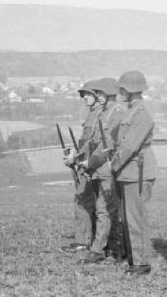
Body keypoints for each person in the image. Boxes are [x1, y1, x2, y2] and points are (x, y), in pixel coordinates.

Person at [91, 70, 158, 275]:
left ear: (130, 90)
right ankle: (132, 257)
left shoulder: (141, 114)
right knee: (128, 218)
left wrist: (113, 165)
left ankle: (140, 262)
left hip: (136, 171)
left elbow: (129, 146)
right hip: (127, 171)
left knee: (135, 218)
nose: (119, 92)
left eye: (122, 89)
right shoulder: (130, 111)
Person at [78, 77, 126, 264]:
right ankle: (114, 246)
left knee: (104, 209)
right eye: (96, 93)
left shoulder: (117, 112)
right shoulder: (103, 112)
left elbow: (109, 144)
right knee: (107, 209)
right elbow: (94, 141)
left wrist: (91, 162)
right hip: (100, 166)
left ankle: (99, 249)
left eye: (100, 93)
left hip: (108, 166)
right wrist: (83, 159)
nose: (97, 96)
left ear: (109, 94)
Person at [61, 80, 101, 253]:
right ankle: (90, 237)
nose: (85, 97)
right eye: (83, 94)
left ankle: (83, 240)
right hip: (87, 161)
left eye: (89, 94)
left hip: (92, 162)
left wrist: (75, 159)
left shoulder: (98, 113)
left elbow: (92, 142)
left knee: (83, 199)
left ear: (98, 95)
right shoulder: (94, 113)